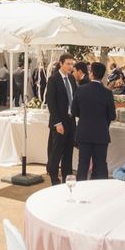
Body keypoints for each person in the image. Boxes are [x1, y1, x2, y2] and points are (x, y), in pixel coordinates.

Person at [71, 62, 115, 181]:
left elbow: (73, 111)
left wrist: (85, 117)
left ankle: (80, 189)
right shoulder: (107, 93)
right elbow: (112, 115)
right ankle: (101, 190)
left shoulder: (80, 90)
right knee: (100, 164)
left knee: (83, 165)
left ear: (91, 74)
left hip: (84, 132)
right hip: (101, 133)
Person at [45, 53, 77, 185]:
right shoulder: (53, 79)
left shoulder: (71, 78)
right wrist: (57, 123)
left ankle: (66, 178)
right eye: (68, 64)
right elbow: (50, 102)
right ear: (61, 63)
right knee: (56, 152)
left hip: (71, 121)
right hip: (59, 123)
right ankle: (53, 178)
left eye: (72, 64)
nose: (70, 67)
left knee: (68, 152)